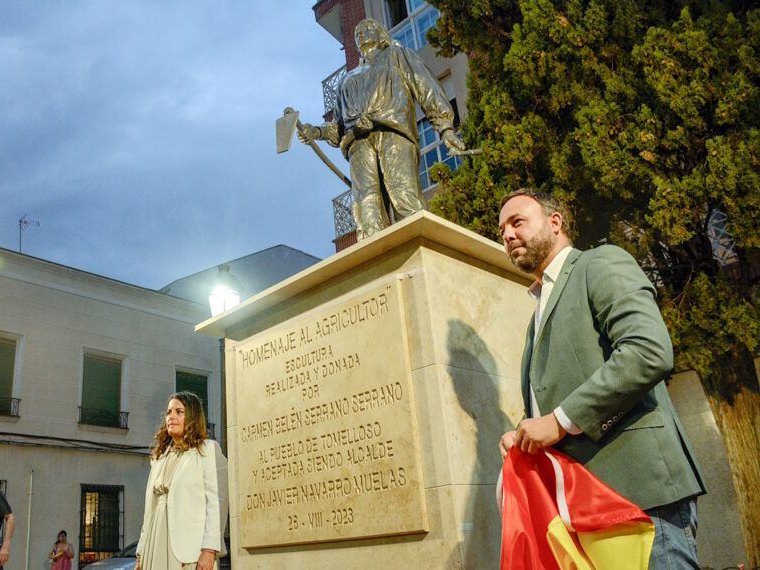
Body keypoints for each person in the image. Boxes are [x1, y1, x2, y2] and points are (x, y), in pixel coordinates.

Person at [496, 189, 706, 568]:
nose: (507, 235)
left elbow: (647, 350)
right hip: (585, 511)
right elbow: (555, 401)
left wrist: (558, 421)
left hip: (641, 498)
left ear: (555, 222)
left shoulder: (600, 263)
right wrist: (526, 434)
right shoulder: (535, 317)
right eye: (502, 231)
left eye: (517, 222)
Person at [298, 18, 466, 239]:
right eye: (357, 31)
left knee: (404, 197)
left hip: (393, 134)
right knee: (367, 210)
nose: (362, 33)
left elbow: (427, 88)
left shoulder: (397, 56)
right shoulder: (347, 80)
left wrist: (446, 127)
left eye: (369, 29)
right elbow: (338, 127)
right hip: (357, 144)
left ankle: (417, 250)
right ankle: (377, 263)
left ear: (382, 35)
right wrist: (315, 132)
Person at [135, 391, 227, 570]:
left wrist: (209, 549)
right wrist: (141, 553)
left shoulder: (208, 451)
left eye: (179, 412)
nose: (171, 416)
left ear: (192, 416)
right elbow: (149, 511)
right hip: (155, 540)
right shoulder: (159, 457)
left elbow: (217, 504)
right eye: (169, 412)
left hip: (189, 548)